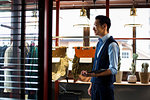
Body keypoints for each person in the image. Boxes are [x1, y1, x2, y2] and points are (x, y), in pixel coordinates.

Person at [81, 15, 119, 100]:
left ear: (104, 26)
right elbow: (96, 65)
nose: (93, 28)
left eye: (96, 25)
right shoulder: (99, 43)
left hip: (105, 87)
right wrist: (92, 83)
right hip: (95, 86)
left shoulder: (112, 45)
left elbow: (113, 69)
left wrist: (91, 74)